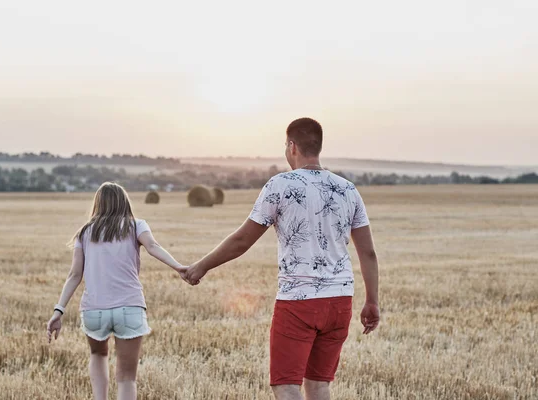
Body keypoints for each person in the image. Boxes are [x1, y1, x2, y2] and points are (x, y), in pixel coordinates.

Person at [184, 117, 380, 400]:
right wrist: (372, 301)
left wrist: (199, 267)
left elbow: (242, 240)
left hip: (298, 301)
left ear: (292, 146)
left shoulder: (280, 185)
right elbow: (368, 252)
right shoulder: (348, 190)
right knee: (319, 384)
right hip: (340, 301)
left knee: (286, 385)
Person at [46, 182, 187, 400]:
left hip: (94, 310)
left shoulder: (84, 232)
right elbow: (153, 247)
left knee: (98, 355)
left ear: (98, 204)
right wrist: (179, 267)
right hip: (129, 308)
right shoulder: (136, 225)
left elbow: (74, 275)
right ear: (124, 201)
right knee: (127, 377)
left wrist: (59, 310)